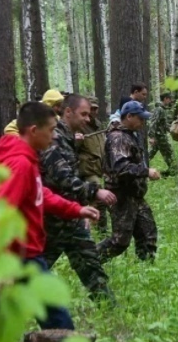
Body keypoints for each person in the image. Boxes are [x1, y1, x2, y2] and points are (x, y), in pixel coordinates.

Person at [0, 101, 101, 328]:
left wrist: (76, 209)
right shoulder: (20, 164)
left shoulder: (28, 160)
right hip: (21, 258)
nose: (53, 137)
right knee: (59, 322)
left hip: (28, 254)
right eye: (50, 130)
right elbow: (0, 211)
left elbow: (43, 195)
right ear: (33, 131)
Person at [40, 94, 117, 305]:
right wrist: (94, 192)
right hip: (52, 220)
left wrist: (80, 208)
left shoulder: (68, 139)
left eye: (89, 114)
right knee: (34, 269)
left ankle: (108, 306)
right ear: (67, 112)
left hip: (71, 218)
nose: (87, 118)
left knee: (90, 263)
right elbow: (63, 178)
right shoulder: (54, 140)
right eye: (83, 114)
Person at [98, 101, 161, 263]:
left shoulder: (129, 135)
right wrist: (146, 172)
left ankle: (146, 268)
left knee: (148, 233)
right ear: (129, 116)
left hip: (135, 195)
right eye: (140, 118)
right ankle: (89, 260)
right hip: (122, 196)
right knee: (120, 241)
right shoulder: (118, 138)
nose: (142, 122)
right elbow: (121, 168)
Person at [77, 96, 108, 234]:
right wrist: (77, 140)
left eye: (96, 108)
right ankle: (101, 231)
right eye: (91, 109)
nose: (94, 111)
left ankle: (94, 227)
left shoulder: (98, 124)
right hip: (86, 169)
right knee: (99, 198)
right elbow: (73, 146)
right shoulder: (80, 126)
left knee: (95, 200)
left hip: (98, 167)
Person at [149, 92, 178, 177]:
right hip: (160, 136)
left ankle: (141, 166)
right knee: (169, 152)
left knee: (150, 154)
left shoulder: (162, 109)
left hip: (160, 135)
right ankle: (174, 170)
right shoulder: (159, 109)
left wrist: (172, 130)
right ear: (165, 99)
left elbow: (164, 124)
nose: (170, 101)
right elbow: (153, 122)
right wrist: (151, 136)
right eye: (169, 99)